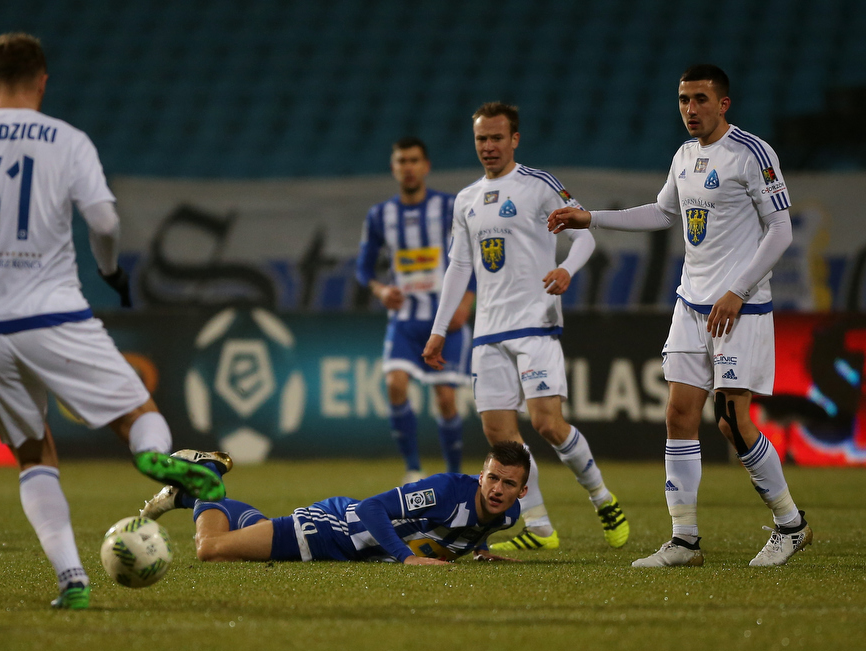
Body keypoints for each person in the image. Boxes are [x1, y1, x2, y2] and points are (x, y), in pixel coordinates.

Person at [0, 33, 222, 609]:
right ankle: (147, 458)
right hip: (54, 312)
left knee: (34, 456)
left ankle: (72, 580)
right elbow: (105, 221)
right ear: (42, 82)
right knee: (139, 413)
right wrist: (110, 271)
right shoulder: (67, 141)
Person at [548, 64, 812, 567]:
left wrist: (737, 290)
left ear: (723, 104)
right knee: (678, 414)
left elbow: (781, 231)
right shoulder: (685, 156)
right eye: (683, 100)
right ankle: (685, 540)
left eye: (700, 99)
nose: (690, 109)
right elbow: (664, 213)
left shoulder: (751, 154)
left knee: (732, 422)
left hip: (740, 307)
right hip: (691, 305)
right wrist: (592, 217)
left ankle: (790, 524)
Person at [422, 102, 629, 552]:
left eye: (497, 137)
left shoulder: (539, 186)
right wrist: (440, 329)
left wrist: (568, 270)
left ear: (514, 139)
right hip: (488, 332)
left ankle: (602, 498)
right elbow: (459, 266)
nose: (489, 146)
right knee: (500, 439)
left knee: (548, 424)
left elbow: (585, 234)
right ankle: (538, 529)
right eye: (482, 139)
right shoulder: (466, 199)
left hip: (535, 323)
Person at [141, 442, 530, 564]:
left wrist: (480, 550)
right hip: (335, 531)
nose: (496, 489)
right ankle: (207, 478)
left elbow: (473, 525)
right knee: (213, 550)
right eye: (491, 478)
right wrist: (407, 559)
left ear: (521, 492)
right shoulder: (445, 492)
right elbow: (370, 509)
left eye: (507, 483)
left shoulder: (506, 514)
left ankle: (188, 494)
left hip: (350, 547)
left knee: (252, 540)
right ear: (480, 476)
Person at [355, 137, 476, 484]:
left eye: (413, 160)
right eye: (401, 161)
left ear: (426, 166)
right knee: (394, 384)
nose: (407, 167)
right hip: (404, 320)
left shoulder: (450, 207)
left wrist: (465, 303)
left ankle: (454, 478)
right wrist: (380, 290)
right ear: (394, 167)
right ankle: (412, 469)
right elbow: (363, 268)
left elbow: (477, 255)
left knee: (446, 399)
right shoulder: (380, 215)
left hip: (445, 320)